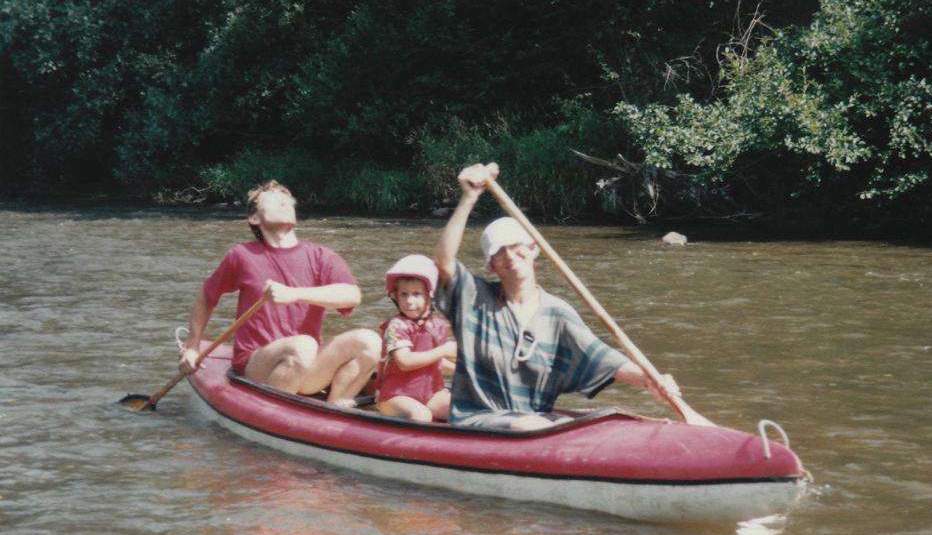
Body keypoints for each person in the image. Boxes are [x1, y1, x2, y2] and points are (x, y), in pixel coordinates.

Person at [435, 162, 693, 430]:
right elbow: (444, 264)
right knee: (530, 425)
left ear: (534, 249)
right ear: (490, 264)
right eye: (500, 252)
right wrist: (469, 198)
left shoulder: (557, 313)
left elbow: (602, 358)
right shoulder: (475, 298)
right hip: (478, 416)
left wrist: (650, 379)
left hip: (535, 420)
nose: (510, 256)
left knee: (598, 424)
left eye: (516, 246)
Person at [178, 180, 381, 407]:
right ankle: (276, 411)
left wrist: (294, 294)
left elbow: (352, 295)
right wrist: (193, 347)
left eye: (288, 200)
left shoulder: (322, 255)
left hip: (306, 363)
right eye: (274, 199)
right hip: (257, 364)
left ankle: (335, 409)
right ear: (254, 218)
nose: (284, 202)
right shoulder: (241, 255)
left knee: (369, 341)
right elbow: (206, 297)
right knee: (302, 345)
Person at [376, 254, 457, 422]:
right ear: (396, 296)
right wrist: (443, 350)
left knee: (461, 407)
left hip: (430, 393)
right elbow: (405, 362)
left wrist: (461, 370)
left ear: (430, 296)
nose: (409, 301)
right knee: (421, 415)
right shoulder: (397, 326)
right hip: (395, 396)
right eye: (404, 294)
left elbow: (435, 362)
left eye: (416, 294)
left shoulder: (438, 325)